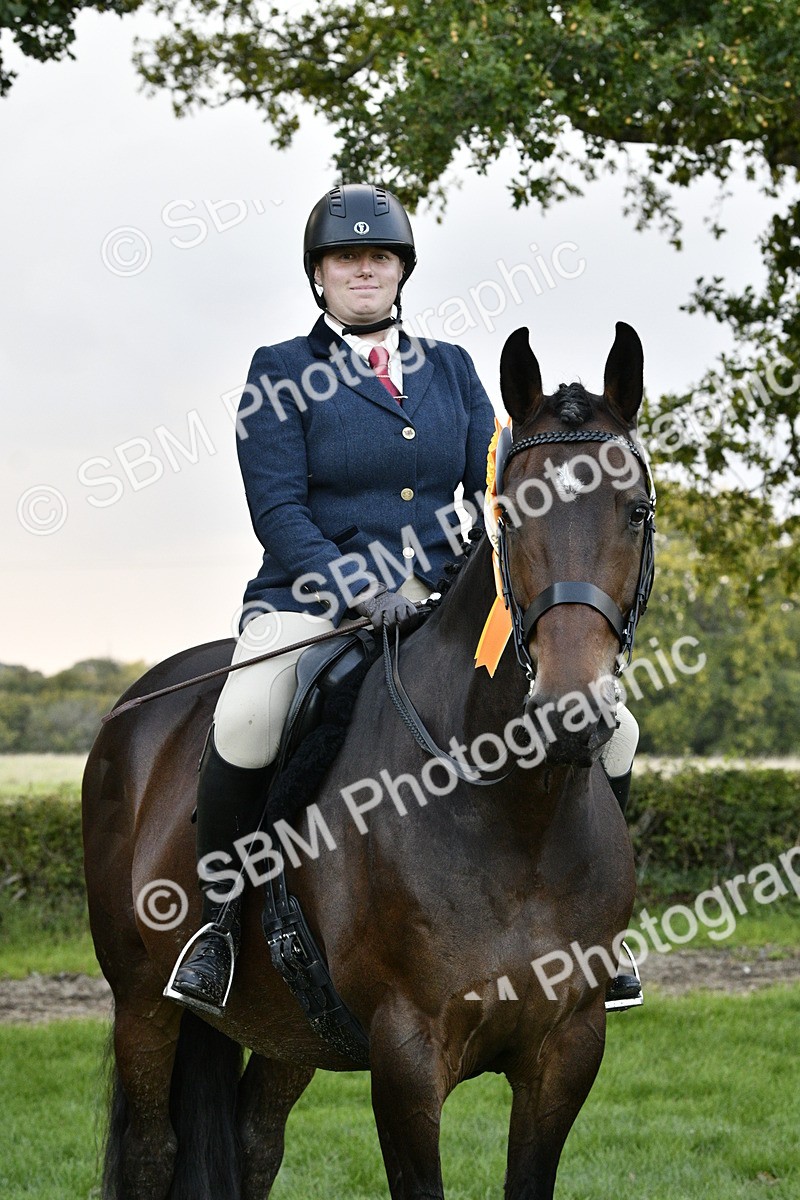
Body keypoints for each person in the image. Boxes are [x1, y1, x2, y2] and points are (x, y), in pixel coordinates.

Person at [165, 183, 642, 1018]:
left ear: (401, 271)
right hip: (314, 595)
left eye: (376, 257)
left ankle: (601, 928)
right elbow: (278, 511)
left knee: (617, 726)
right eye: (344, 258)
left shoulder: (451, 369)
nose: (362, 270)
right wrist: (355, 586)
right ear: (319, 275)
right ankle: (216, 927)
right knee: (247, 716)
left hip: (441, 596)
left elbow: (491, 489)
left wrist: (474, 569)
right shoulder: (280, 372)